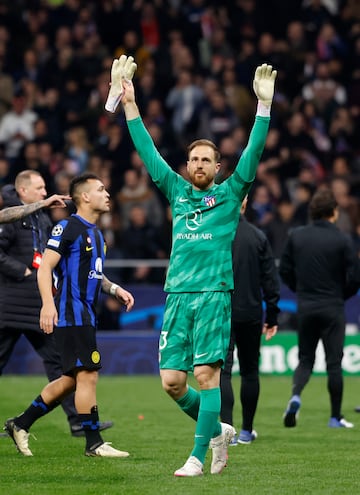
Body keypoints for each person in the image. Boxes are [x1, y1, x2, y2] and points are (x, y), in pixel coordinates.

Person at [109, 55, 276, 476]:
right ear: (187, 166)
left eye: (207, 160)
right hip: (177, 295)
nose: (199, 164)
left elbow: (254, 152)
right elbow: (146, 149)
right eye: (194, 159)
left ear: (219, 167)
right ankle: (216, 429)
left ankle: (197, 458)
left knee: (206, 375)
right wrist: (130, 103)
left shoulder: (230, 193)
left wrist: (263, 108)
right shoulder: (176, 190)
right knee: (172, 383)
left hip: (214, 295)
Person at [4, 172, 135, 457]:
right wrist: (47, 305)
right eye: (101, 189)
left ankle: (20, 423)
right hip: (70, 314)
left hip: (85, 314)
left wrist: (114, 289)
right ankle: (94, 443)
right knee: (88, 376)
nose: (107, 194)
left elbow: (94, 275)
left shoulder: (98, 235)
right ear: (85, 196)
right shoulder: (67, 227)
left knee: (70, 380)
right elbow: (45, 268)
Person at [280, 188, 360, 429]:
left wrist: (300, 290)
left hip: (306, 306)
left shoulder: (296, 236)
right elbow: (355, 276)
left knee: (305, 359)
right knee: (334, 364)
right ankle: (335, 416)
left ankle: (295, 395)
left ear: (313, 212)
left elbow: (284, 270)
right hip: (332, 307)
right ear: (333, 213)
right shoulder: (342, 239)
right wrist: (340, 295)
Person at [220, 197, 280, 445]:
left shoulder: (215, 234)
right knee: (250, 372)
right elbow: (270, 281)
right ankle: (246, 431)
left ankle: (227, 432)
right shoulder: (258, 236)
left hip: (221, 311)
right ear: (245, 205)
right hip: (251, 313)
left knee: (223, 372)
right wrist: (273, 316)